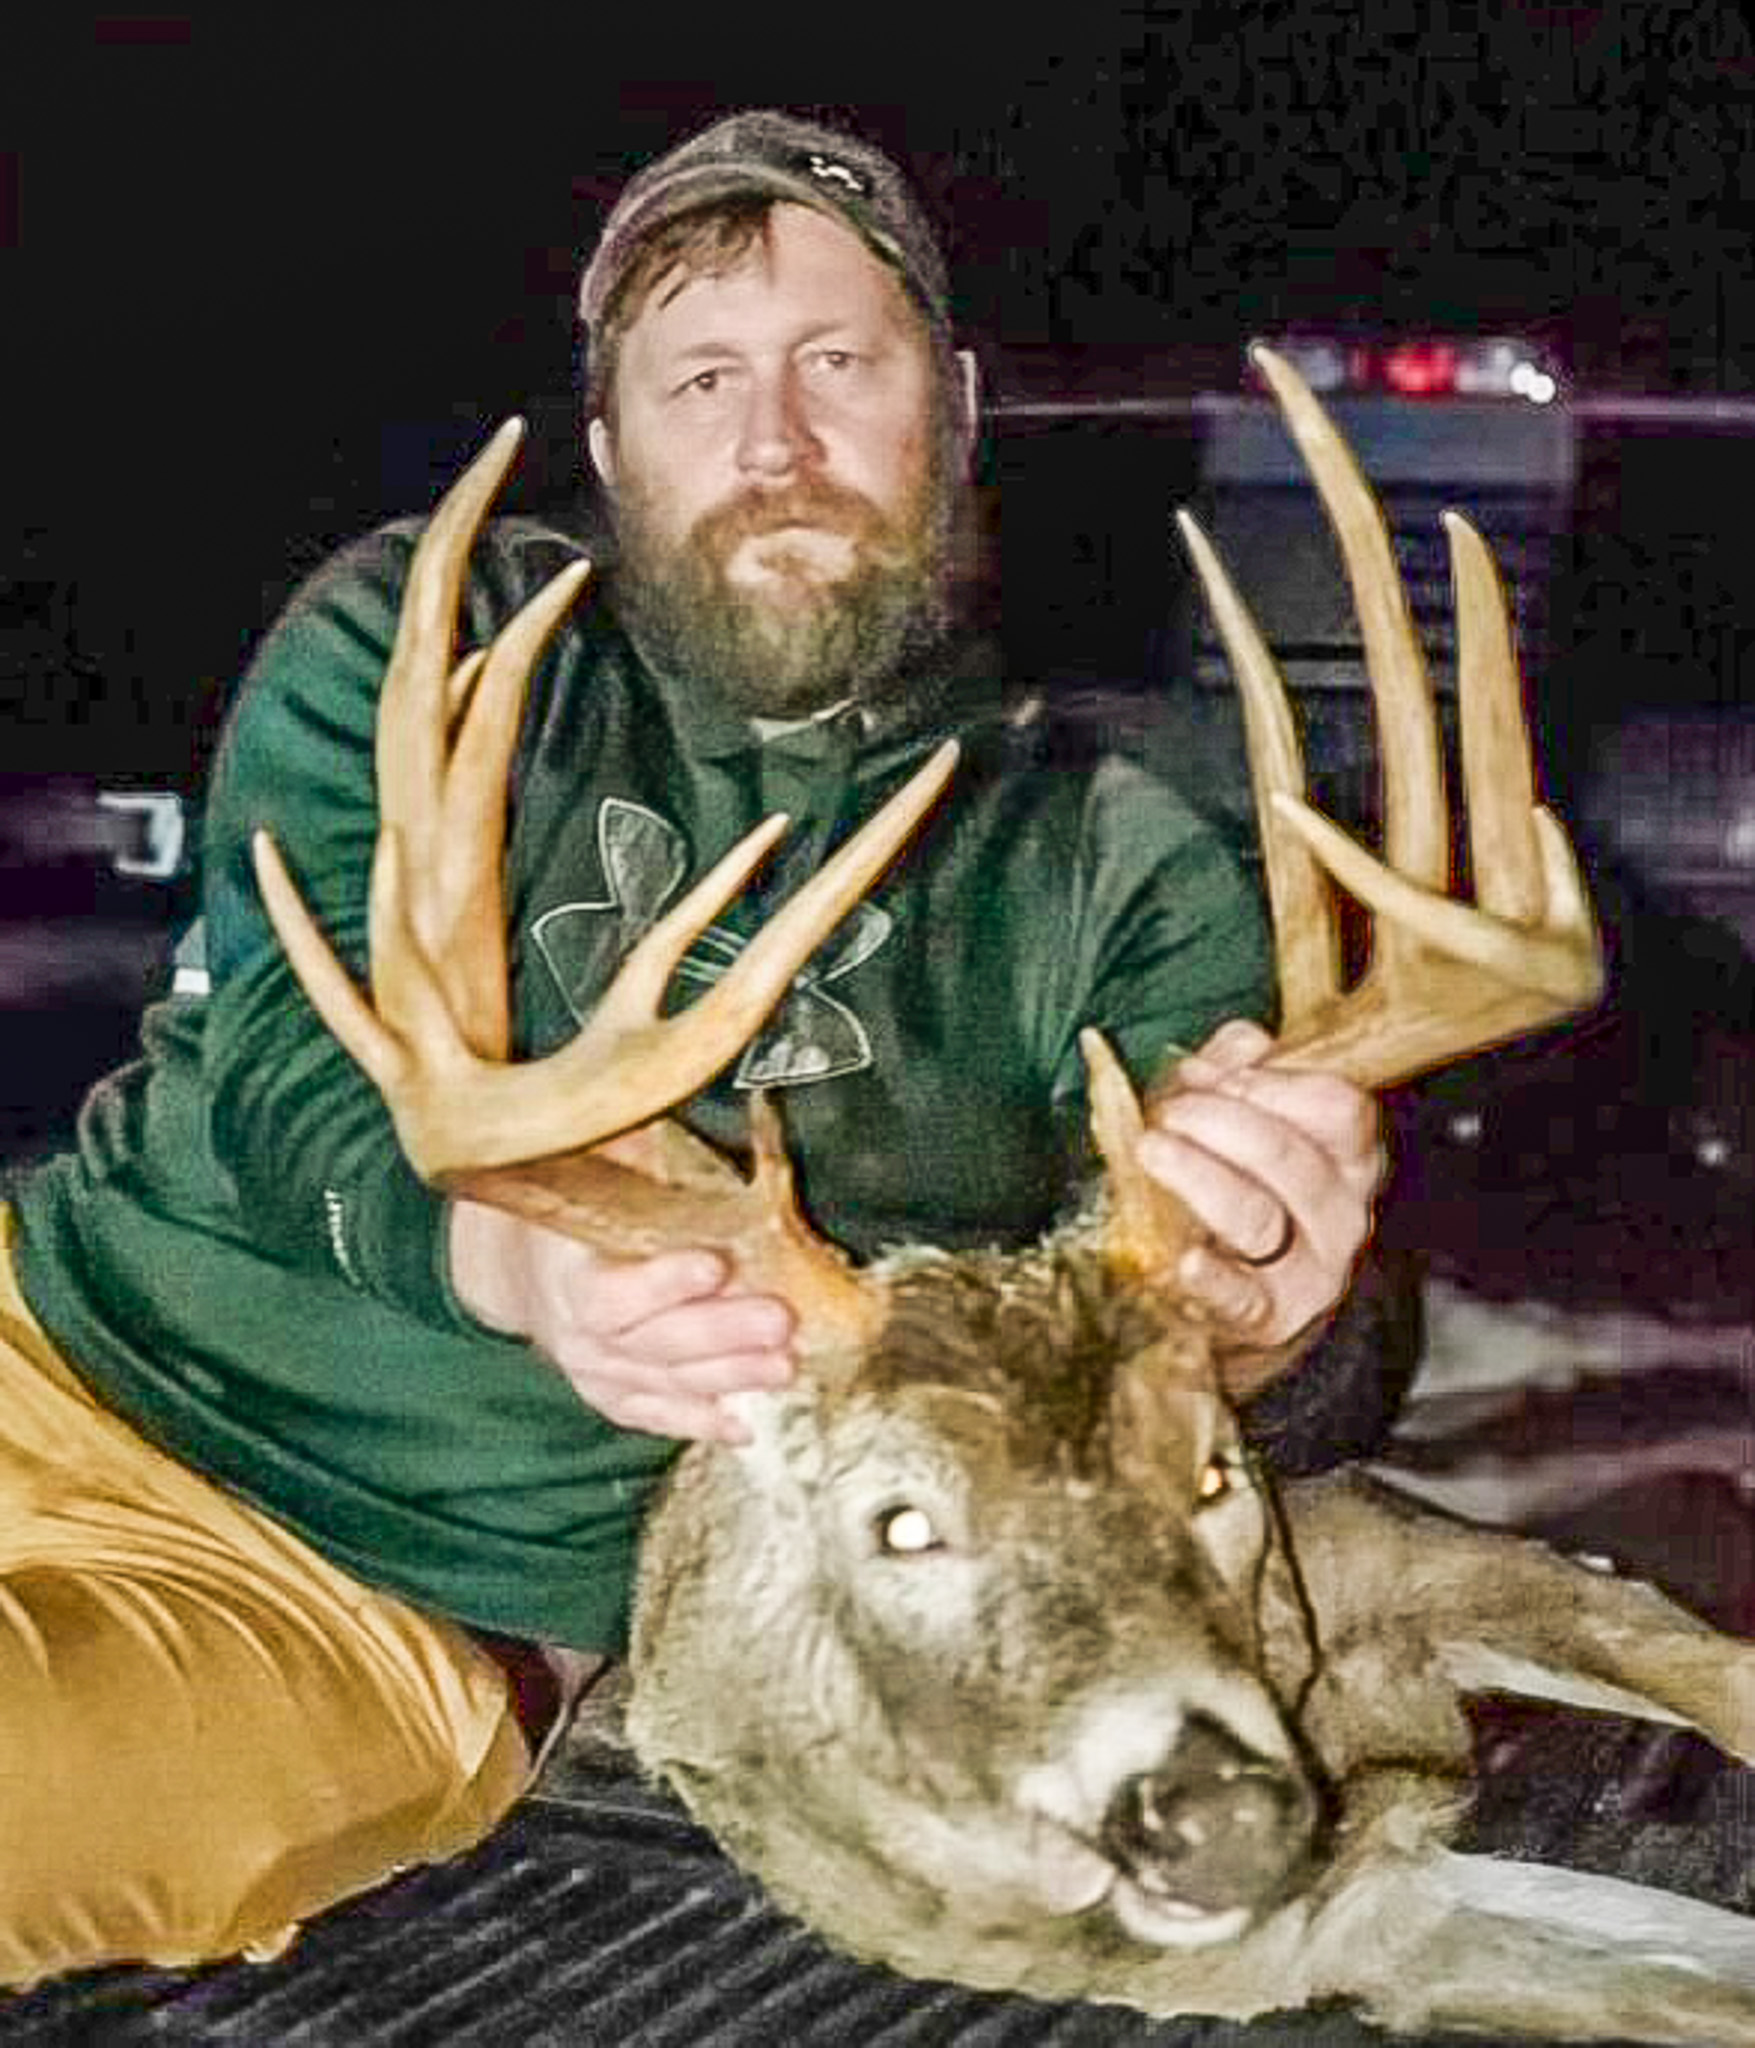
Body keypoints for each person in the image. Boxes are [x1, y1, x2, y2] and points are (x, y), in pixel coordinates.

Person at [0, 109, 1382, 1987]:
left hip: (365, 1593)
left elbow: (1170, 1365)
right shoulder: (446, 641)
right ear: (611, 448)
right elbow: (275, 1048)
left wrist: (1286, 1310)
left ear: (952, 402)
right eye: (701, 380)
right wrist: (502, 1249)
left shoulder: (1117, 858)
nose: (775, 443)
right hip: (39, 1323)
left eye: (839, 364)